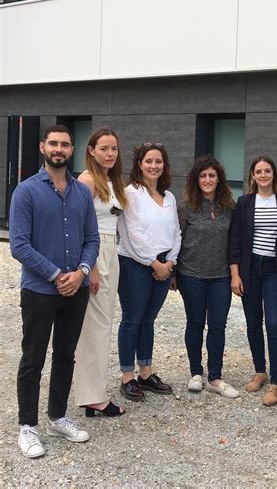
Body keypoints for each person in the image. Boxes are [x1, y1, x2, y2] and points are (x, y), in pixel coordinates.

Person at [9, 125, 100, 458]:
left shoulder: (80, 193)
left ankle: (57, 417)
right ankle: (27, 427)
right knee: (33, 358)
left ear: (72, 149)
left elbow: (92, 239)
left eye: (65, 144)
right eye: (54, 143)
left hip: (75, 289)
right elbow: (19, 245)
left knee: (65, 355)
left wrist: (82, 272)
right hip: (38, 290)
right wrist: (56, 274)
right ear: (42, 146)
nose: (59, 149)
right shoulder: (26, 191)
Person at [117, 142, 181, 401]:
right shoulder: (129, 194)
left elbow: (176, 232)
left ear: (164, 165)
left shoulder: (169, 196)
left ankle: (146, 372)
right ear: (139, 165)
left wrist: (170, 262)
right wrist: (154, 263)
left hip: (165, 263)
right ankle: (127, 377)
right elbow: (131, 235)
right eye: (148, 161)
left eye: (158, 161)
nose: (153, 166)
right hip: (135, 264)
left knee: (148, 320)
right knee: (132, 319)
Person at [229, 156, 277, 406]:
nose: (263, 175)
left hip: (276, 269)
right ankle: (260, 371)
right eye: (259, 171)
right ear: (252, 176)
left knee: (274, 324)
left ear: (273, 174)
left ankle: (276, 382)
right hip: (250, 269)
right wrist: (235, 274)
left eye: (267, 170)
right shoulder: (244, 202)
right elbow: (235, 240)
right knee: (253, 322)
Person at [74, 128, 128, 417]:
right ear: (91, 150)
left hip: (112, 251)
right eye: (104, 148)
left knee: (102, 324)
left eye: (114, 149)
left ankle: (92, 393)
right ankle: (92, 396)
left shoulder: (111, 180)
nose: (110, 154)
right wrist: (90, 266)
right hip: (97, 253)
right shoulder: (88, 180)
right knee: (95, 326)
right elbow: (80, 224)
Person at [176, 155, 239, 399]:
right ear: (196, 179)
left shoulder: (229, 207)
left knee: (217, 325)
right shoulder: (186, 206)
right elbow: (176, 240)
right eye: (203, 175)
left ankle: (215, 376)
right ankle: (195, 373)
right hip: (191, 274)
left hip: (221, 276)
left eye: (212, 175)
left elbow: (234, 241)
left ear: (219, 179)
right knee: (194, 323)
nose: (208, 179)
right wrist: (172, 272)